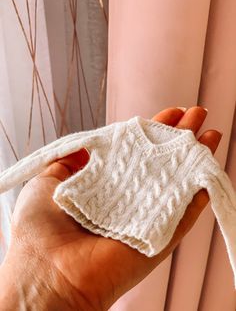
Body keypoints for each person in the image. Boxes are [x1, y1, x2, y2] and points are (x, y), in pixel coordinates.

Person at [0, 106, 222, 310]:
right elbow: (54, 150)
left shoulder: (196, 159)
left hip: (127, 227)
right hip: (83, 206)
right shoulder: (122, 132)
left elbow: (226, 205)